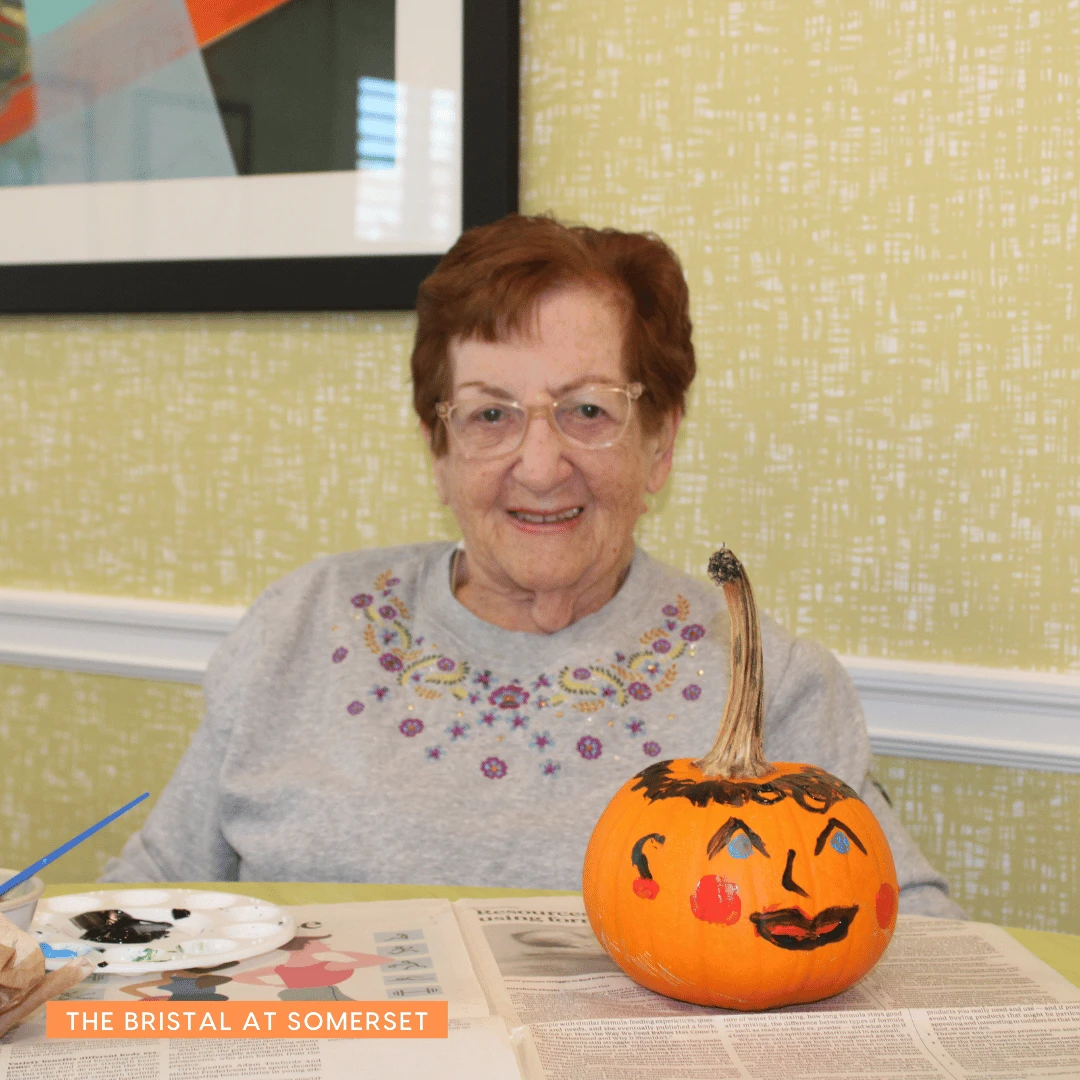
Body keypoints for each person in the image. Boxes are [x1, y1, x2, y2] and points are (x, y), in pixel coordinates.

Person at [103, 214, 963, 918]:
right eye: (490, 416)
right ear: (439, 452)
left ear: (658, 445)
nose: (542, 464)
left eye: (589, 410)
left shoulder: (766, 684)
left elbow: (914, 944)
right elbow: (142, 903)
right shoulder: (300, 623)